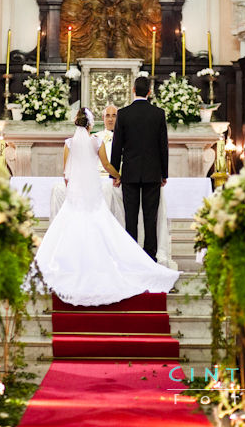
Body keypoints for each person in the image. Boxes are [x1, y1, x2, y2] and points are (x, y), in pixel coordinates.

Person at [33, 108, 179, 306]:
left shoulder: (68, 143)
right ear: (91, 124)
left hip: (75, 197)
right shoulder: (96, 141)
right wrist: (118, 176)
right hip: (92, 197)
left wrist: (72, 189)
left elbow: (66, 173)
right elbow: (107, 165)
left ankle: (68, 268)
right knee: (101, 229)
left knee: (68, 229)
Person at [110, 76, 169, 262]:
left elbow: (117, 145)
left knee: (131, 217)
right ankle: (150, 257)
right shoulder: (158, 113)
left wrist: (115, 174)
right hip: (152, 173)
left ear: (133, 90)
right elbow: (163, 146)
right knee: (150, 217)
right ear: (149, 92)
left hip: (130, 173)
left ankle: (131, 256)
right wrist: (164, 173)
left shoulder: (124, 113)